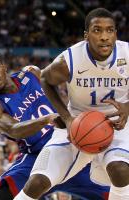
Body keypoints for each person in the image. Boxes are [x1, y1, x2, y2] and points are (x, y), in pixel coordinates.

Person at [0, 51, 109, 200]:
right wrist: (47, 119)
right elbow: (13, 130)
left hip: (68, 145)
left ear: (3, 67)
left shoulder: (31, 73)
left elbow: (57, 96)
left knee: (114, 190)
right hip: (35, 156)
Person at [39, 7, 129, 200]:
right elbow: (45, 79)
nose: (104, 36)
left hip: (119, 120)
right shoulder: (69, 59)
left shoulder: (127, 54)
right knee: (39, 180)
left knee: (121, 171)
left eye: (109, 30)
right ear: (86, 35)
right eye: (97, 30)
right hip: (80, 120)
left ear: (115, 33)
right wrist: (67, 118)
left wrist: (128, 107)